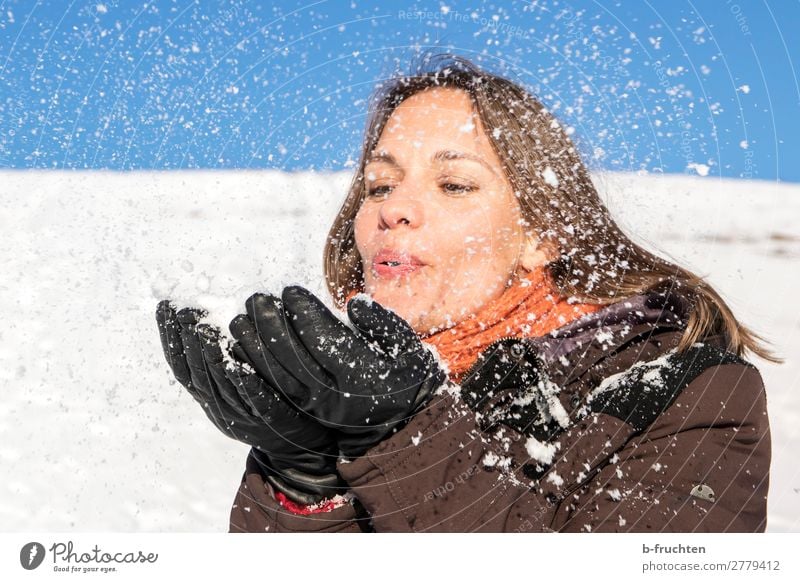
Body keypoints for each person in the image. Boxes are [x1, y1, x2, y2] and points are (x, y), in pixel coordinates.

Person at [156, 53, 775, 533]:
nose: (394, 208)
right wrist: (305, 479)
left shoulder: (689, 391)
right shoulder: (347, 404)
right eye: (377, 187)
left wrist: (402, 435)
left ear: (543, 235)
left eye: (453, 184)